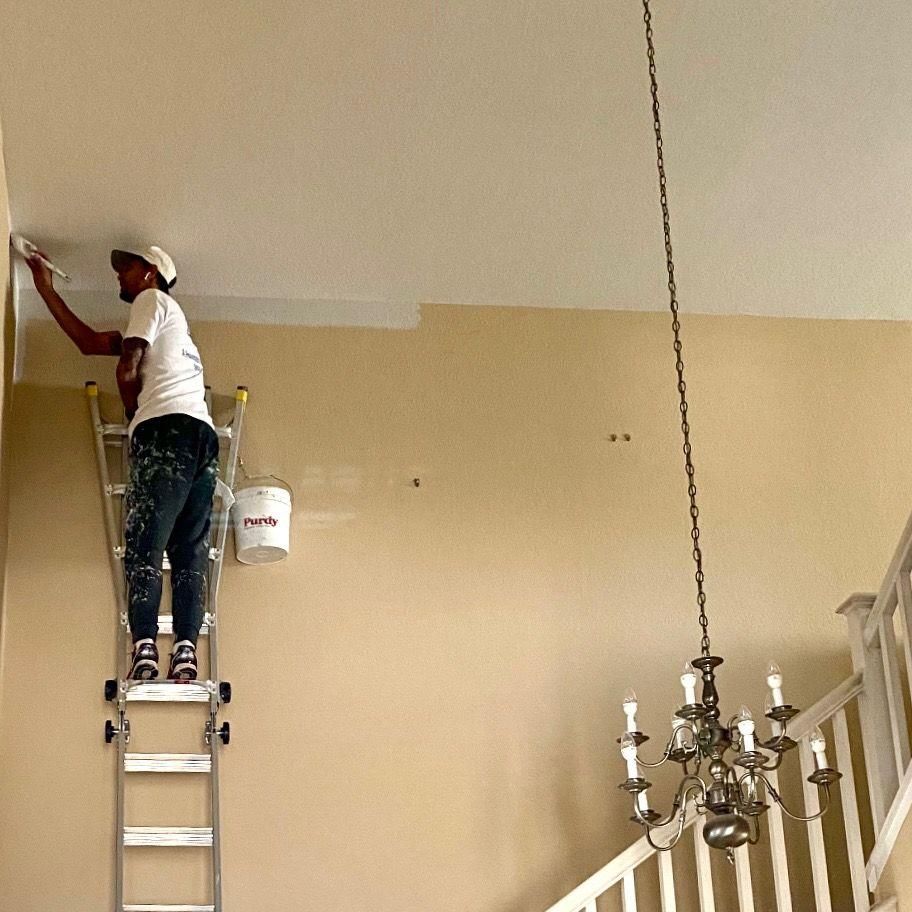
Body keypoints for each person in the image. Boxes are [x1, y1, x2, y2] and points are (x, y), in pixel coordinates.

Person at [27, 245, 218, 681]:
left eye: (127, 268)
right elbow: (88, 343)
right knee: (189, 550)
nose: (119, 276)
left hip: (166, 431)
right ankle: (185, 650)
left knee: (144, 543)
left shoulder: (152, 301)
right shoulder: (171, 329)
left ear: (151, 273)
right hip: (201, 438)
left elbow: (127, 368)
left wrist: (135, 415)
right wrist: (45, 288)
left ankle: (145, 646)